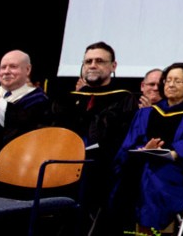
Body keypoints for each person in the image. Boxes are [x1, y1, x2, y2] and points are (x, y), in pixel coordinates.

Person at [49, 41, 139, 232]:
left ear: (113, 66)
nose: (92, 65)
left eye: (99, 61)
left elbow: (118, 138)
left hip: (102, 168)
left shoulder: (124, 99)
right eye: (88, 61)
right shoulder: (67, 99)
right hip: (63, 164)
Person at [114, 63, 183, 233]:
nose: (171, 85)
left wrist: (175, 153)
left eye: (177, 81)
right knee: (124, 177)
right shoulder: (145, 113)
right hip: (142, 165)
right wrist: (145, 148)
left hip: (178, 170)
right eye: (168, 80)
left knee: (153, 178)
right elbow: (129, 145)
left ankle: (149, 230)